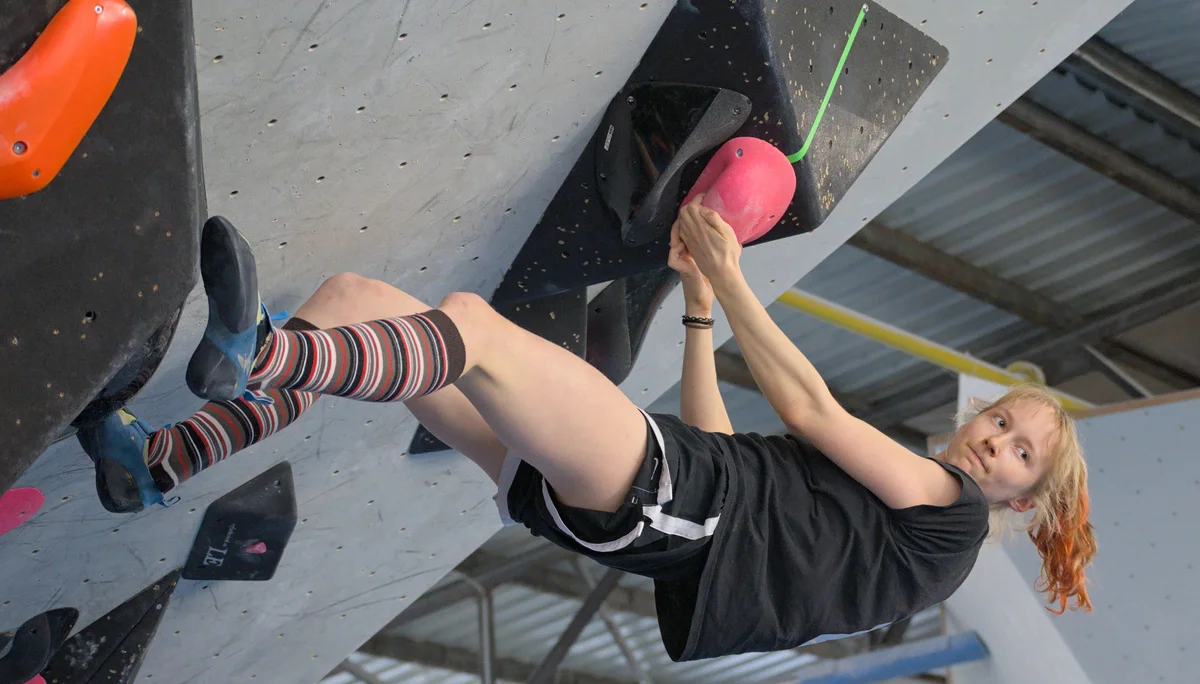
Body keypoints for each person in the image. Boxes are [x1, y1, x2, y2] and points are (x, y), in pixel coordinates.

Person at [78, 198, 1096, 660]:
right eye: (1002, 419)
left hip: (666, 500)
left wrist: (735, 276)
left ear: (1017, 498)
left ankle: (266, 357)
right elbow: (736, 444)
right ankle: (156, 461)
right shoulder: (878, 528)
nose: (993, 440)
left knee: (471, 331)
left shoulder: (951, 524)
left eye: (1017, 451)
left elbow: (806, 409)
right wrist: (698, 308)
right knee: (359, 299)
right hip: (656, 501)